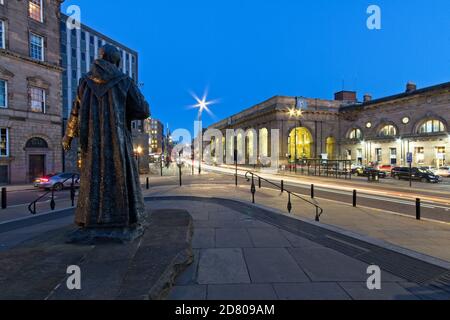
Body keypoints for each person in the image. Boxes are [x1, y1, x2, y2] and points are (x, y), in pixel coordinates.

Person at [62, 44, 150, 230]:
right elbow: (143, 110)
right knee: (120, 175)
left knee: (93, 176)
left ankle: (92, 220)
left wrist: (68, 136)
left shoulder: (84, 82)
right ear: (115, 61)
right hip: (117, 140)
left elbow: (75, 113)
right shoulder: (124, 80)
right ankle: (123, 218)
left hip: (92, 141)